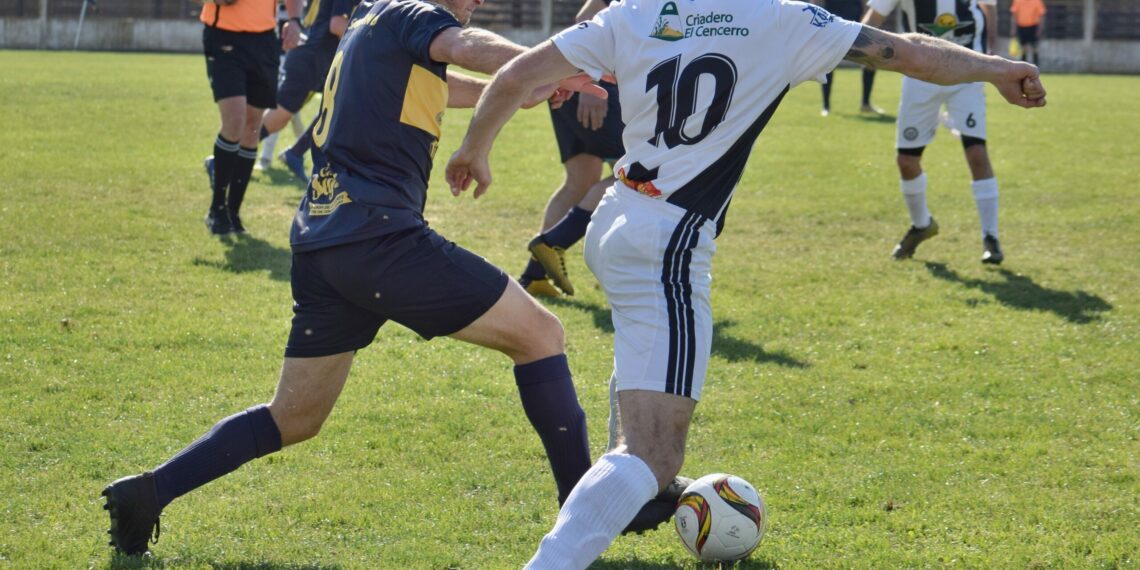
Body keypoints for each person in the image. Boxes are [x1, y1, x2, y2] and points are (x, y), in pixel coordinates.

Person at [445, 0, 1045, 566]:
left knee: (643, 359)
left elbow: (520, 74)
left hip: (614, 216)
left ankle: (632, 486)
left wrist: (476, 147)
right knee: (655, 454)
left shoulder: (638, 11)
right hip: (670, 240)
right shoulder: (783, 20)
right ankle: (583, 528)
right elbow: (909, 51)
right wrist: (996, 68)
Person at [100, 0, 671, 557]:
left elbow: (439, 85)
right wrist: (540, 64)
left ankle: (148, 492)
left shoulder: (375, 19)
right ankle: (585, 508)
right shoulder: (415, 13)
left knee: (294, 417)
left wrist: (526, 88)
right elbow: (464, 48)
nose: (477, 3)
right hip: (380, 238)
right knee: (542, 336)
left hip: (323, 237)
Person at [863, 0, 1007, 264]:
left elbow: (989, 6)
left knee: (976, 153)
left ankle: (991, 237)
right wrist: (854, 48)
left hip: (968, 75)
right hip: (919, 78)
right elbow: (873, 19)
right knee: (906, 161)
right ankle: (922, 225)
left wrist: (990, 47)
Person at [519, 0, 624, 298]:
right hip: (591, 86)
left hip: (572, 82)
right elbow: (586, 18)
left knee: (580, 180)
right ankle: (554, 242)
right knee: (636, 173)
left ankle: (535, 276)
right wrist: (591, 78)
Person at [200, 0, 303, 236]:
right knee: (235, 120)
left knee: (252, 126)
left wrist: (294, 20)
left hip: (265, 41)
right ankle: (217, 209)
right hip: (223, 36)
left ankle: (233, 213)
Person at [259, 0, 362, 183]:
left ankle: (295, 153)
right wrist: (372, 32)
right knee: (279, 117)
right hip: (311, 57)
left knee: (339, 107)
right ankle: (229, 153)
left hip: (323, 57)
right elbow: (337, 24)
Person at [256, 1, 310, 173]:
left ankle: (296, 152)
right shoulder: (268, 7)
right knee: (282, 109)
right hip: (275, 58)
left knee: (287, 110)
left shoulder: (300, 7)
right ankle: (270, 156)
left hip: (294, 57)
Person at [813, 0, 883, 116]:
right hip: (832, 26)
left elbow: (866, 4)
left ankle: (865, 104)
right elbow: (816, 2)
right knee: (828, 65)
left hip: (855, 27)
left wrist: (865, 24)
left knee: (870, 62)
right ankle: (826, 106)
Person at [1010, 0, 1046, 66]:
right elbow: (1014, 15)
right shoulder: (1017, 1)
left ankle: (1036, 66)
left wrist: (1040, 29)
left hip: (1034, 26)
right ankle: (1024, 67)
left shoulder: (1037, 1)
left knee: (1035, 47)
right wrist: (1013, 29)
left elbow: (1041, 16)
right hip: (1021, 27)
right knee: (1023, 48)